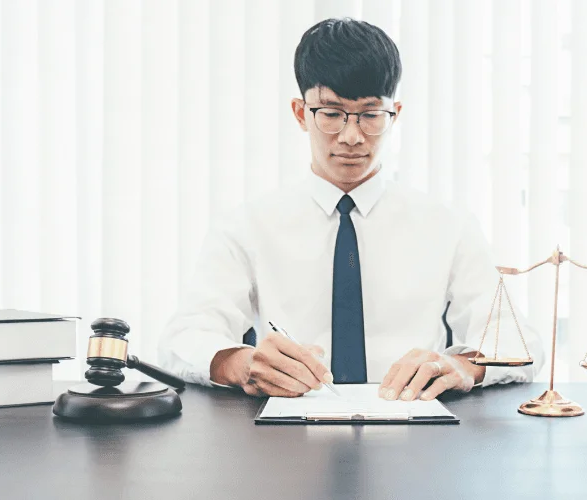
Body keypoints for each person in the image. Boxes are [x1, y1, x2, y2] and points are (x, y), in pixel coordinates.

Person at [158, 18, 544, 402]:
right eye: (331, 114)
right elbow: (183, 339)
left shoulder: (449, 226)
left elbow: (519, 342)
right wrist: (243, 364)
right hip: (289, 428)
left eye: (370, 115)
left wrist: (463, 366)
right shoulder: (246, 226)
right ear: (300, 113)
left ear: (395, 114)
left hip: (413, 423)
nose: (352, 136)